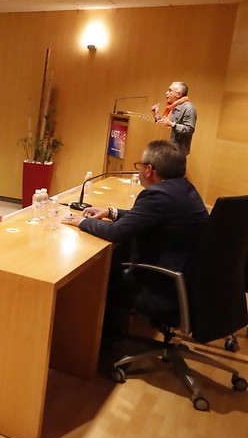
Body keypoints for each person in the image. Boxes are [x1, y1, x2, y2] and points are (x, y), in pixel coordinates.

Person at [62, 140, 208, 330]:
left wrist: (81, 222)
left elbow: (117, 232)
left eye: (139, 165)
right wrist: (111, 212)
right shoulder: (184, 188)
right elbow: (147, 218)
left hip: (162, 288)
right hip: (186, 282)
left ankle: (104, 337)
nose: (138, 170)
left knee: (94, 279)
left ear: (149, 170)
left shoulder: (158, 195)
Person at [151, 81, 196, 155]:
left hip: (176, 153)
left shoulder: (188, 108)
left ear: (178, 94)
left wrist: (173, 125)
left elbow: (189, 129)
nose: (166, 93)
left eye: (170, 90)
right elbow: (166, 126)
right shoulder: (172, 106)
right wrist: (156, 115)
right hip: (164, 150)